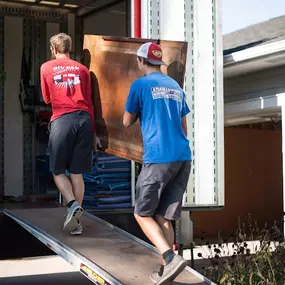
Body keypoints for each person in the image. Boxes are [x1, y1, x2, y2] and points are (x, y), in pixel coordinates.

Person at [123, 42, 192, 285]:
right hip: (183, 157)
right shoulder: (175, 86)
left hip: (159, 158)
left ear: (141, 61)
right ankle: (167, 271)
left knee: (141, 214)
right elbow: (184, 127)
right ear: (160, 63)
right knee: (164, 217)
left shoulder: (140, 85)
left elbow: (126, 121)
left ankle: (169, 257)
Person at [40, 33, 101, 235]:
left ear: (53, 49)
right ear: (69, 48)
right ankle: (76, 223)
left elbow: (47, 99)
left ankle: (73, 205)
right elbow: (90, 102)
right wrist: (94, 131)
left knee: (58, 171)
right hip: (84, 120)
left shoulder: (46, 68)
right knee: (77, 173)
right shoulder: (83, 70)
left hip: (62, 120)